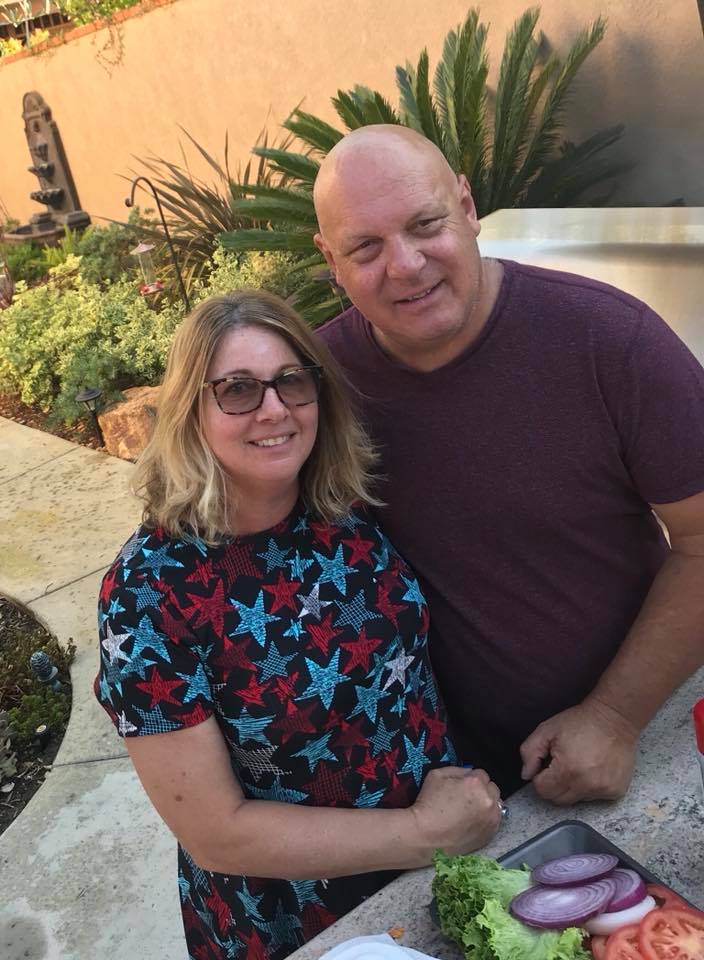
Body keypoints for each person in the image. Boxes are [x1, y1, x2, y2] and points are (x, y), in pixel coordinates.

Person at [95, 290, 502, 960]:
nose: (275, 409)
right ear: (191, 412)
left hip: (443, 854)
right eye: (237, 390)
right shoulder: (147, 593)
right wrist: (424, 832)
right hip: (300, 911)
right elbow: (216, 831)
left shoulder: (340, 507)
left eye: (291, 380)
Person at [313, 124, 704, 805]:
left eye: (425, 224)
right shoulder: (313, 388)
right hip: (445, 785)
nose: (405, 265)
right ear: (330, 260)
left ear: (466, 207)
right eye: (365, 247)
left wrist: (615, 716)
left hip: (645, 734)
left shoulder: (610, 340)